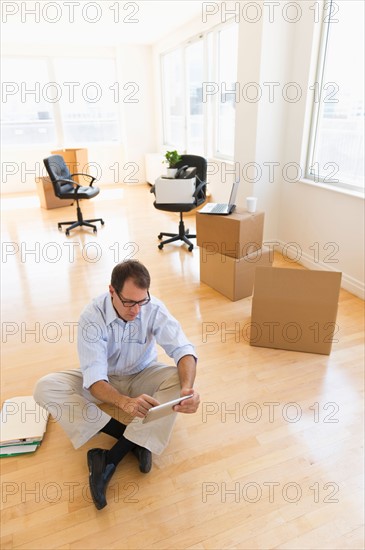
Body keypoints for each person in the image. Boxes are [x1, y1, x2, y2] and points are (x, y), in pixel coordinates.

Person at [34, 260, 199, 510]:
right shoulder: (92, 317)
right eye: (129, 302)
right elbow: (95, 380)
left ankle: (110, 457)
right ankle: (134, 439)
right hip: (105, 381)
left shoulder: (151, 308)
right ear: (112, 291)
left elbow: (184, 350)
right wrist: (125, 402)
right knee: (45, 387)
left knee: (180, 377)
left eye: (141, 301)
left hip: (142, 373)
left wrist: (187, 390)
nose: (136, 310)